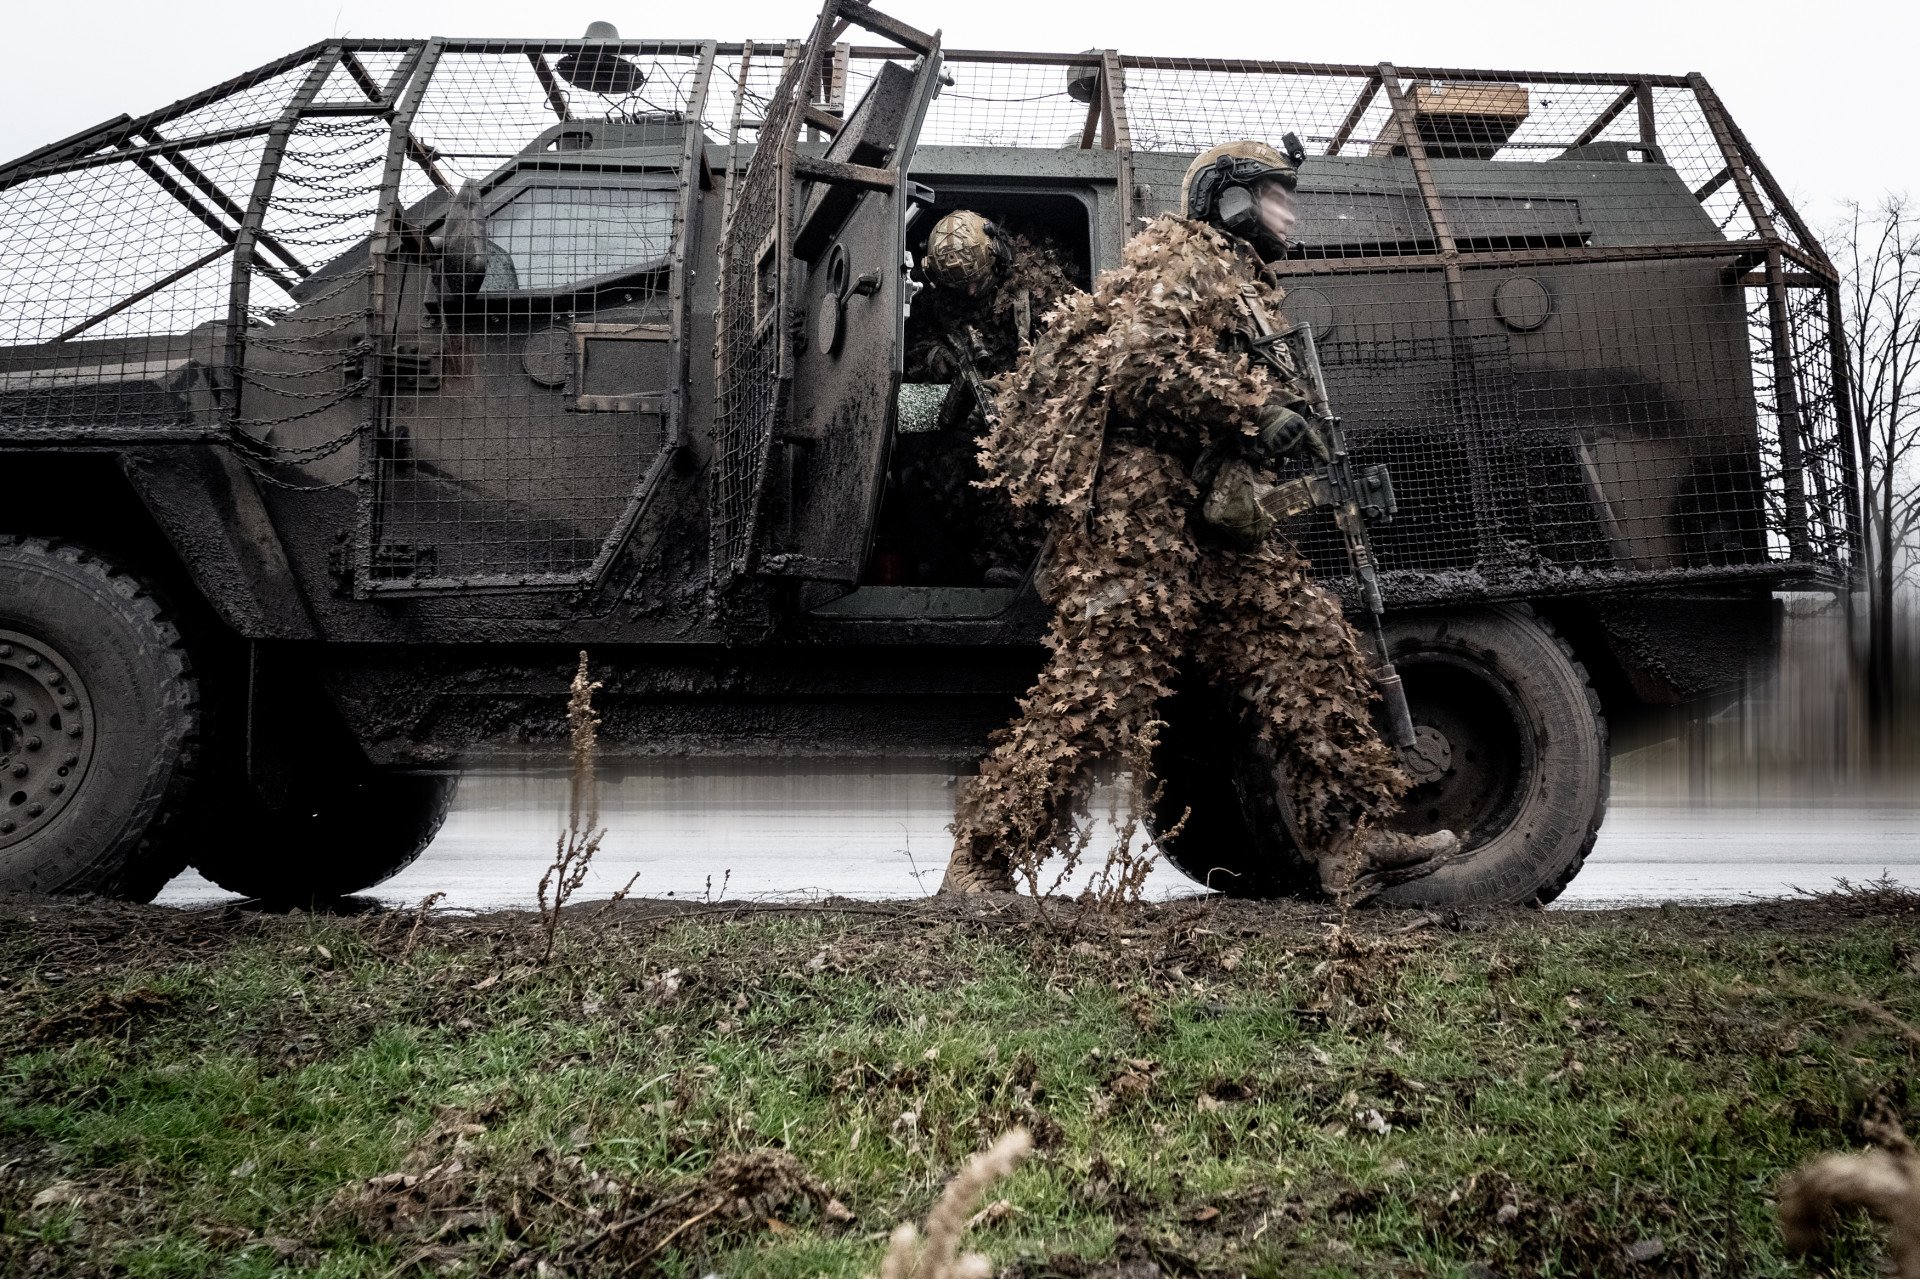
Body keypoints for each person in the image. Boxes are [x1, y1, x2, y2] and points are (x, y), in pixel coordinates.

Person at [942, 139, 1459, 898]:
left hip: (1204, 509)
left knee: (1300, 639)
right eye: (1275, 193)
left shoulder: (1245, 279)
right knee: (1107, 682)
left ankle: (1350, 841)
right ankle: (980, 860)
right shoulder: (1190, 254)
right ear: (1232, 198)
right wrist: (1257, 406)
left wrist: (1280, 424)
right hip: (1135, 506)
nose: (1291, 209)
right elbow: (1141, 363)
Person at [892, 211, 1078, 585]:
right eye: (961, 288)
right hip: (963, 414)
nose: (973, 294)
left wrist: (1019, 392)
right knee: (913, 439)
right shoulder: (938, 300)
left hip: (1035, 411)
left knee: (1020, 463)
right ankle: (947, 565)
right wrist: (932, 359)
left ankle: (1013, 559)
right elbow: (910, 345)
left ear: (999, 255)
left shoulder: (1040, 286)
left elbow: (1070, 355)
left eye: (977, 282)